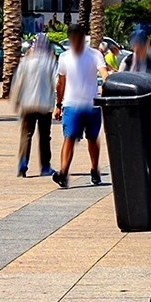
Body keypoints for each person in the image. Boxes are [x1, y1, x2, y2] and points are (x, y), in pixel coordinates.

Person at [51, 21, 105, 189]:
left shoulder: (95, 55)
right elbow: (61, 83)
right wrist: (58, 104)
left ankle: (94, 169)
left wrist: (109, 83)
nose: (75, 42)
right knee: (69, 138)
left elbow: (103, 72)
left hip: (91, 105)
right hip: (71, 105)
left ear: (83, 38)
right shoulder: (64, 57)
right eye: (72, 39)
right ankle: (63, 173)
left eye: (78, 38)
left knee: (92, 139)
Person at [10, 32, 60, 178]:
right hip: (45, 105)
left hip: (27, 104)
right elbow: (56, 82)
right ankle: (45, 166)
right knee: (44, 136)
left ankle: (22, 165)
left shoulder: (26, 62)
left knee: (26, 135)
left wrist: (16, 100)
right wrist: (58, 101)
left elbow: (18, 82)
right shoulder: (50, 62)